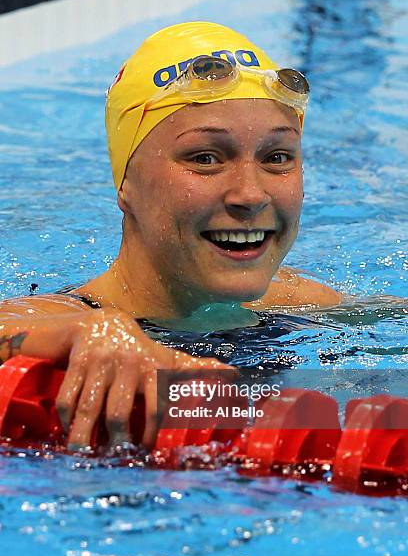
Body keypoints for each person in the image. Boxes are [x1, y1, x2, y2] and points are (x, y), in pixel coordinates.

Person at [0, 22, 341, 450]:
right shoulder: (68, 320)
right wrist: (80, 334)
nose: (251, 195)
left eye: (277, 157)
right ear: (126, 184)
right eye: (205, 158)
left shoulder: (299, 303)